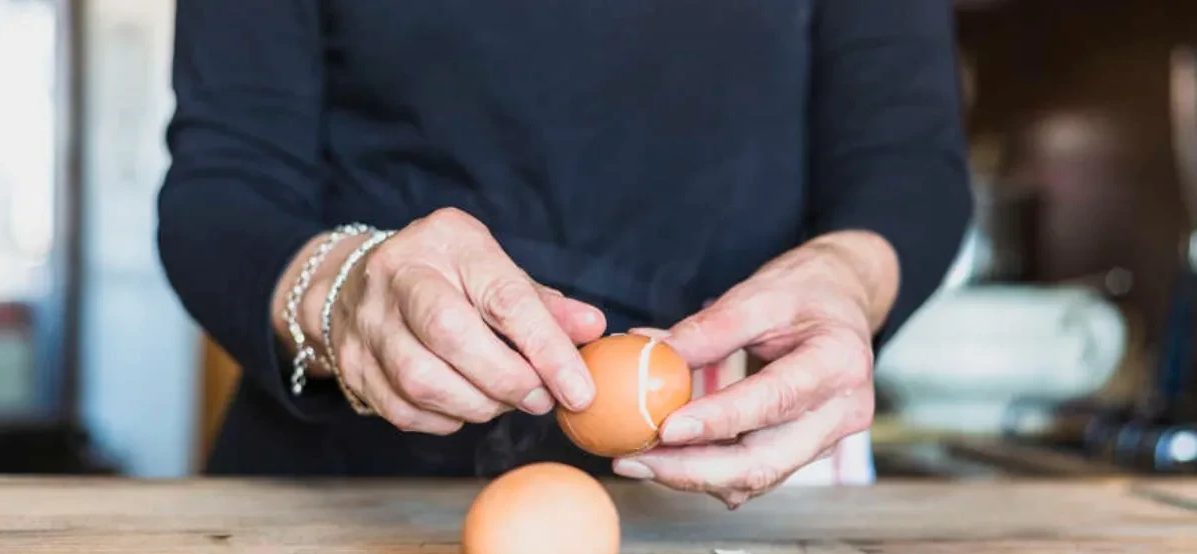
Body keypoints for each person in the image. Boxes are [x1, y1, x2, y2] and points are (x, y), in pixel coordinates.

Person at [157, 0, 972, 507]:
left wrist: (848, 277)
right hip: (348, 502)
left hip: (735, 506)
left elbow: (909, 164)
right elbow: (222, 187)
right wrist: (344, 290)